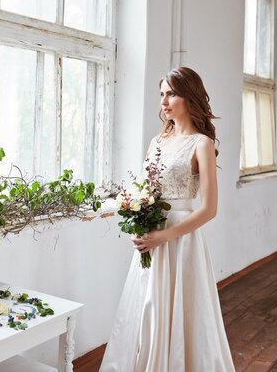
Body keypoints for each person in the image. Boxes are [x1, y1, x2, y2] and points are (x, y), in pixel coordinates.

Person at [100, 67, 235, 371]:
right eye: (161, 94)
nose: (163, 101)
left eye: (171, 93)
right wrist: (119, 211)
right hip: (151, 235)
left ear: (190, 96)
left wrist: (164, 236)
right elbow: (144, 192)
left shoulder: (203, 144)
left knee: (183, 311)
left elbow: (209, 209)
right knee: (147, 308)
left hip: (180, 240)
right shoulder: (157, 141)